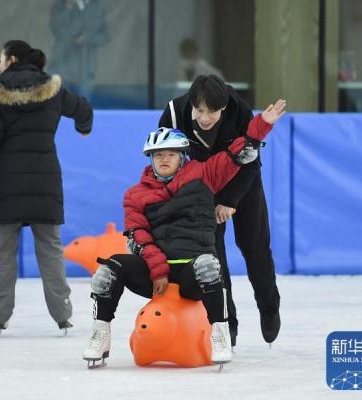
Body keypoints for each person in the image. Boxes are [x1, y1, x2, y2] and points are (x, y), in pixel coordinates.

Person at [82, 100, 286, 368]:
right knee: (109, 269)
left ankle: (220, 332)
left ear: (183, 156)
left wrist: (263, 124)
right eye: (158, 155)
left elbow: (238, 152)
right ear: (150, 159)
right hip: (156, 274)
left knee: (209, 265)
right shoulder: (135, 195)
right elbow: (138, 235)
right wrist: (158, 269)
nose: (164, 159)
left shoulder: (203, 176)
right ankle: (101, 333)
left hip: (192, 272)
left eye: (170, 153)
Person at [0, 40, 93, 335]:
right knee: (51, 250)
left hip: (6, 183)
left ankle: (0, 316)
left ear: (12, 59)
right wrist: (83, 128)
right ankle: (62, 315)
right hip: (45, 181)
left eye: (1, 58)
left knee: (3, 252)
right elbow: (82, 109)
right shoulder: (52, 91)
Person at [158, 74, 282, 347]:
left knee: (254, 247)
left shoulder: (238, 110)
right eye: (199, 110)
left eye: (211, 111)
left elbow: (250, 159)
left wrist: (230, 200)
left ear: (223, 107)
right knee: (213, 257)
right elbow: (165, 160)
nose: (204, 117)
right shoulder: (174, 113)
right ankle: (227, 322)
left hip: (242, 184)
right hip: (200, 188)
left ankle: (269, 306)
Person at [50, 0, 110, 99]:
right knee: (58, 104)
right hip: (61, 64)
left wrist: (87, 38)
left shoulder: (98, 5)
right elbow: (55, 28)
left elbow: (106, 35)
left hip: (85, 66)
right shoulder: (60, 4)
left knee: (84, 106)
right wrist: (67, 7)